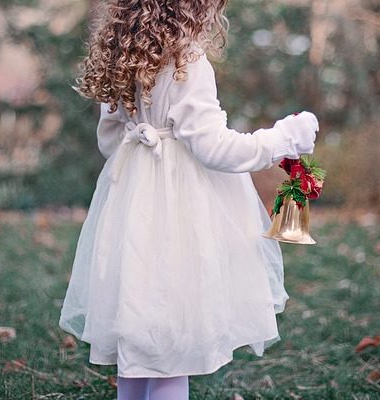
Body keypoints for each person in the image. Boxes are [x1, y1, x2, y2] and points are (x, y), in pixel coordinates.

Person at [58, 1, 319, 399]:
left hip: (132, 199)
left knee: (140, 333)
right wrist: (284, 138)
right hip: (178, 211)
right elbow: (214, 148)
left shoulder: (122, 55)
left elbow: (109, 139)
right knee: (171, 342)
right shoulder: (187, 60)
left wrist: (142, 161)